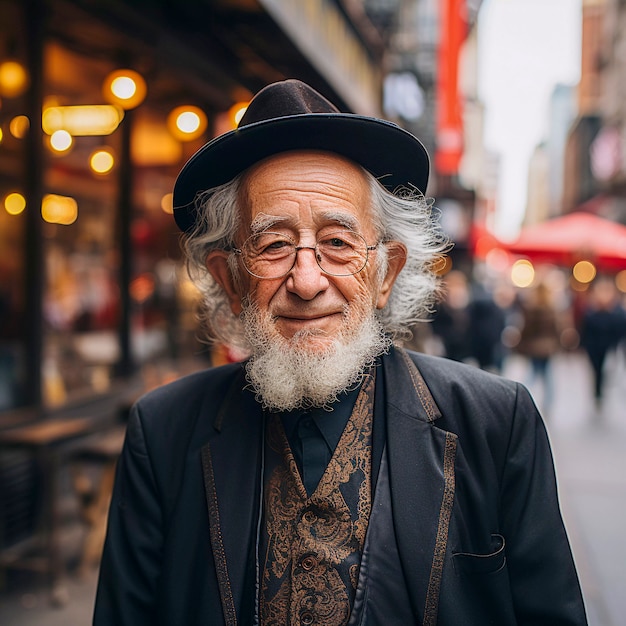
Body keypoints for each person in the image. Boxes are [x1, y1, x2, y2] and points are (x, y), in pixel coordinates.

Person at [93, 79, 587, 625]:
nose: (307, 280)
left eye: (337, 243)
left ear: (384, 273)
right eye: (275, 244)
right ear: (230, 279)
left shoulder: (495, 423)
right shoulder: (161, 435)